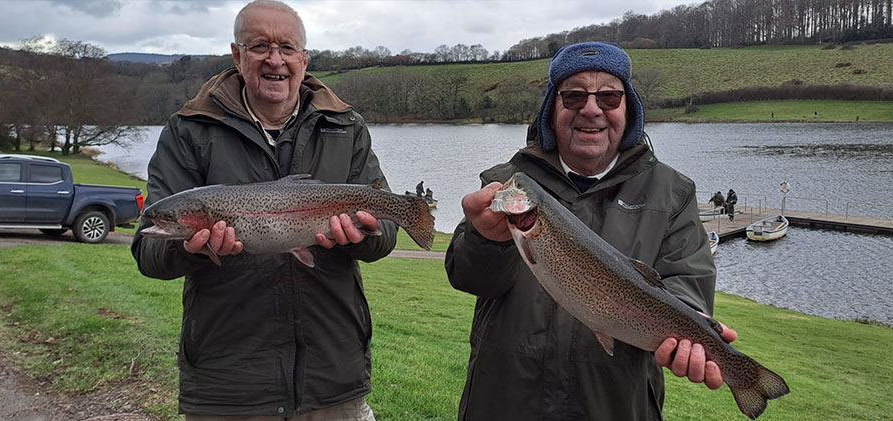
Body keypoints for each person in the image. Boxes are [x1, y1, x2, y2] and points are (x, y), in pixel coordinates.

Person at [444, 42, 737, 420]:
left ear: (628, 111)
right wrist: (487, 241)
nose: (592, 109)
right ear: (553, 109)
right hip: (503, 402)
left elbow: (687, 283)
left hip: (615, 405)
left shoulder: (673, 191)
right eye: (573, 95)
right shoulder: (503, 186)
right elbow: (468, 277)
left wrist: (689, 330)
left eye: (610, 97)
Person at [131, 1, 393, 419]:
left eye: (287, 48)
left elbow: (385, 239)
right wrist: (191, 248)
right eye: (259, 46)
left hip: (332, 378)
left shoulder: (346, 127)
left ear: (304, 60)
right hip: (228, 383)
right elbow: (148, 254)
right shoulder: (190, 130)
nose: (275, 59)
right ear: (237, 55)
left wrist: (367, 234)